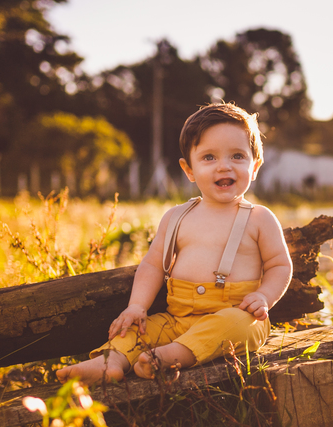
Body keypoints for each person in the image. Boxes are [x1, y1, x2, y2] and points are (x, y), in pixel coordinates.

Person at [56, 103, 292, 385]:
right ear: (188, 169)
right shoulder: (176, 217)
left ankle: (170, 356)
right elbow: (154, 264)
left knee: (235, 326)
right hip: (177, 318)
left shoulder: (259, 218)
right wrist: (137, 307)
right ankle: (110, 362)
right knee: (137, 330)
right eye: (209, 157)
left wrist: (264, 296)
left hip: (235, 312)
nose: (224, 165)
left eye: (237, 156)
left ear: (254, 167)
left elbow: (280, 264)